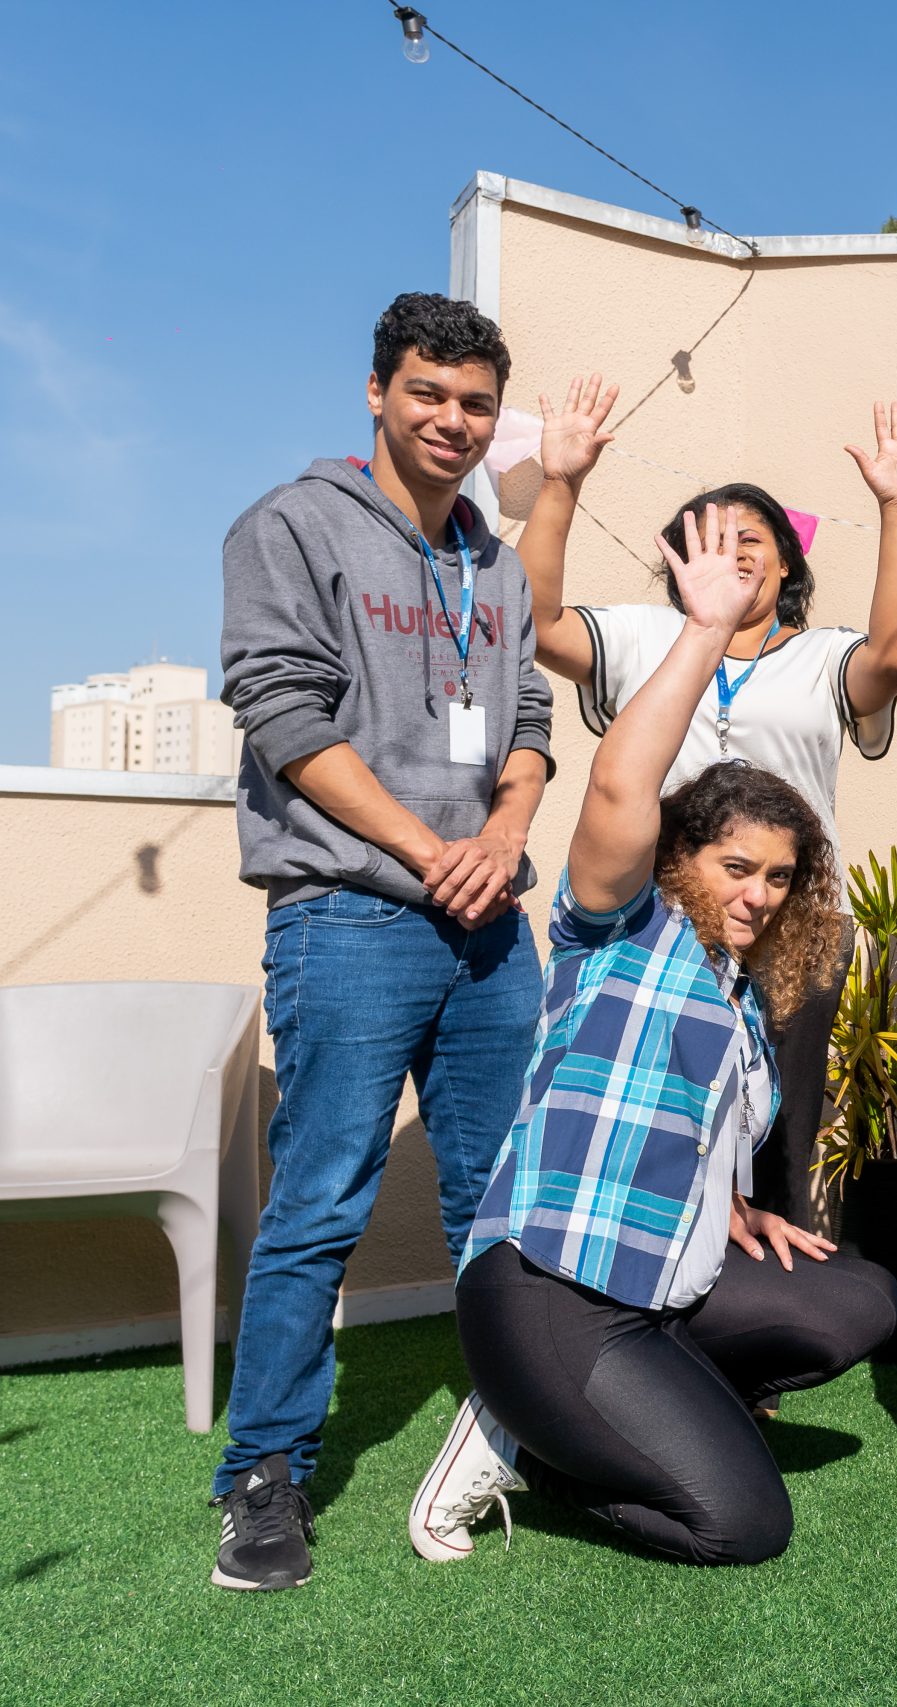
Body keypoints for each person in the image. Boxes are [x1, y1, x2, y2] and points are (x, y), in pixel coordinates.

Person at [408, 502, 897, 1567]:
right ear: (682, 860)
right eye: (737, 868)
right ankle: (529, 1441)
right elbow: (626, 782)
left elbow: (682, 1114)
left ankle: (610, 1416)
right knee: (743, 1523)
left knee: (861, 1295)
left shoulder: (742, 1007)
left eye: (780, 877)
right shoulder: (620, 931)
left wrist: (725, 1204)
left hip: (661, 1288)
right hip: (555, 1290)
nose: (762, 894)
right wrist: (705, 630)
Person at [211, 292, 554, 1592]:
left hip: (487, 926)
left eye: (474, 402)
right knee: (319, 1203)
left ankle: (519, 1424)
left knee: (497, 1201)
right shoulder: (291, 525)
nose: (452, 421)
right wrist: (431, 851)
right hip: (351, 914)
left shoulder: (500, 562)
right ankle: (265, 1472)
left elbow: (526, 709)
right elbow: (283, 717)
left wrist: (509, 823)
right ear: (376, 391)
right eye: (429, 393)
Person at [517, 379, 897, 1224]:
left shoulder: (821, 655)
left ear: (787, 560)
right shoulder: (641, 636)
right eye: (708, 535)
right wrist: (559, 482)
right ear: (677, 561)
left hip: (790, 916)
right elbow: (530, 619)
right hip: (662, 919)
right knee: (665, 1110)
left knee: (782, 1125)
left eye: (754, 536)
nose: (732, 547)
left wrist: (895, 507)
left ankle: (778, 1286)